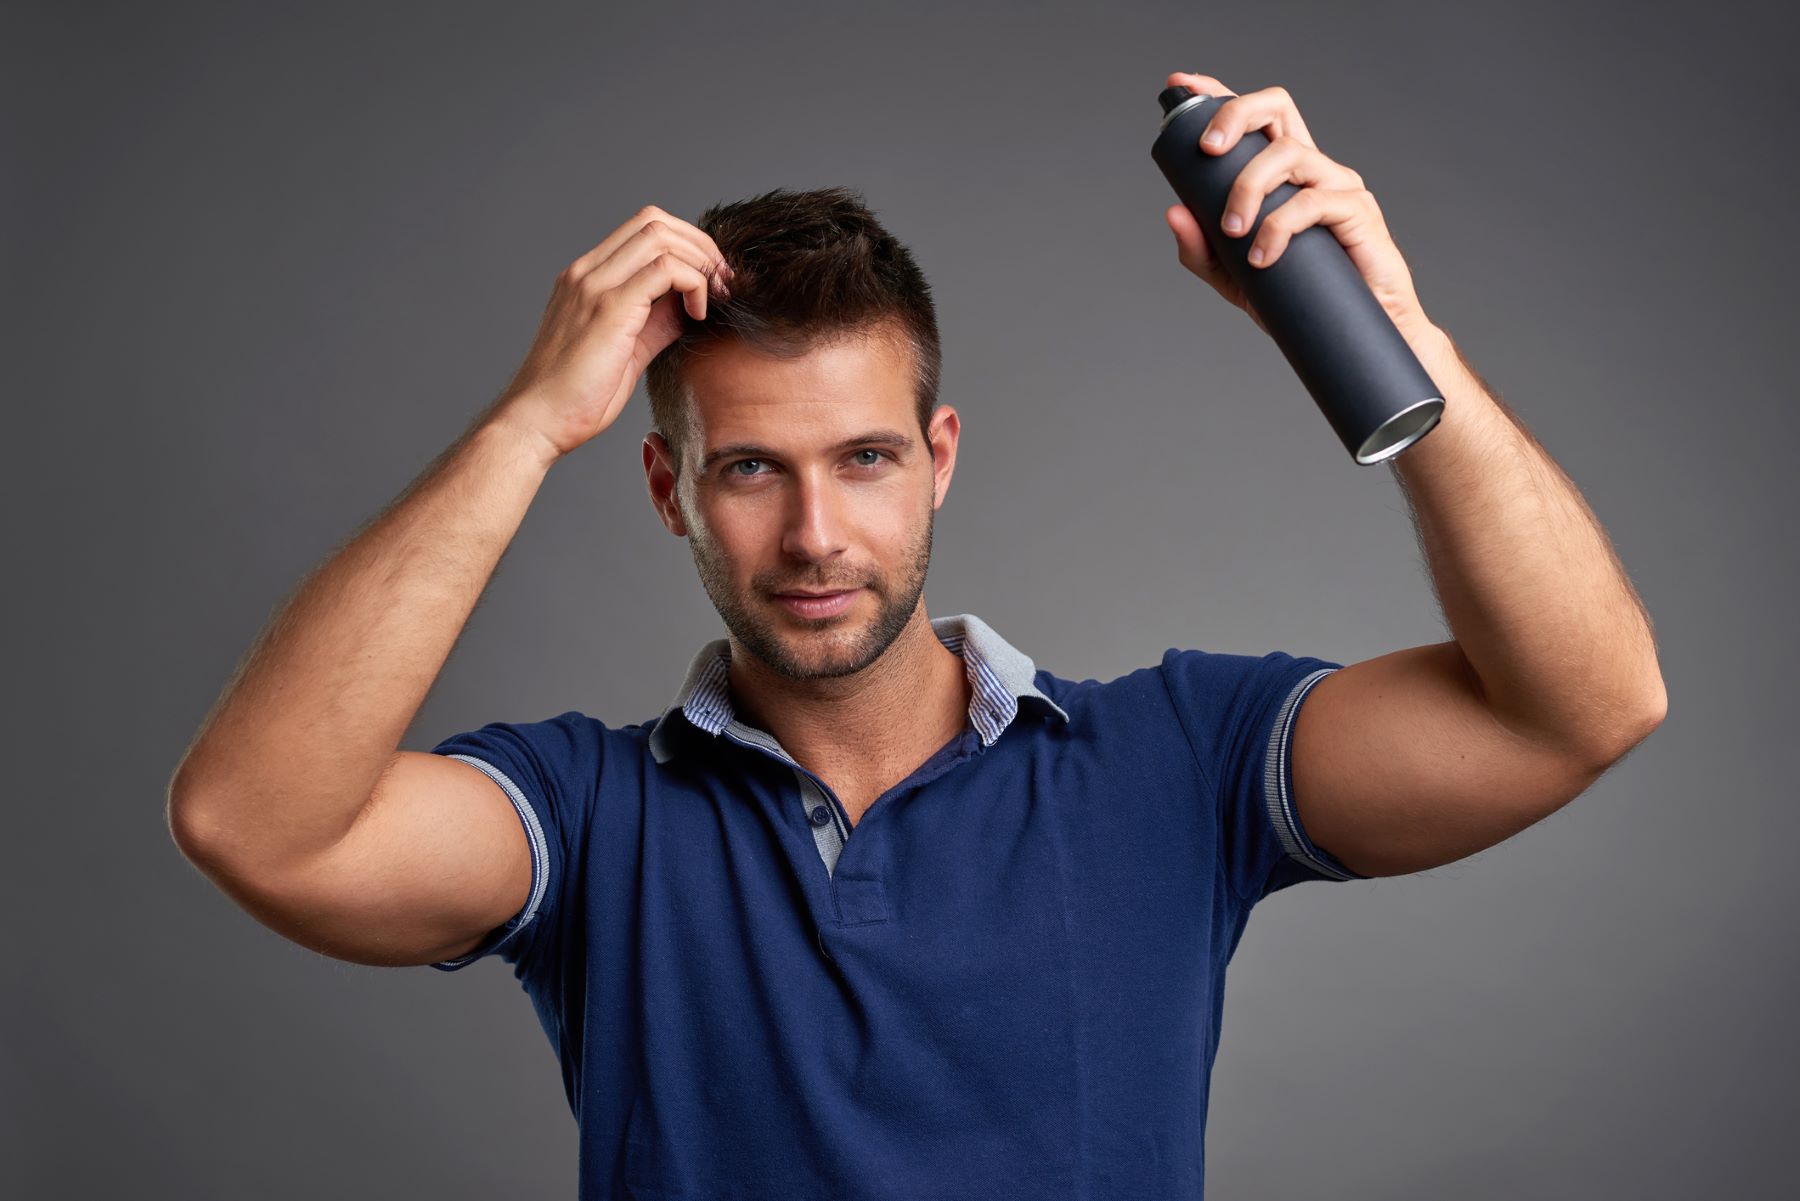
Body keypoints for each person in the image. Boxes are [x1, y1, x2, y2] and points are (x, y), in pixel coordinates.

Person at [166, 72, 1667, 1200]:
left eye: (865, 459)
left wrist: (1402, 344)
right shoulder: (589, 819)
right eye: (750, 467)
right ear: (665, 485)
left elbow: (1581, 707)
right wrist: (524, 424)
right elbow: (259, 822)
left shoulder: (1169, 765)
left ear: (940, 456)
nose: (816, 534)